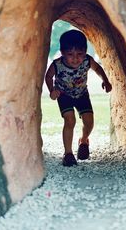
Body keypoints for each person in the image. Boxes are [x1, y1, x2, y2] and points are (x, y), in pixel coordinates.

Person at [45, 30, 112, 166]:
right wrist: (52, 90)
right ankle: (68, 153)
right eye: (70, 54)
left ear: (85, 52)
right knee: (70, 120)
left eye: (79, 54)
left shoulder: (87, 61)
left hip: (82, 94)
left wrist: (105, 80)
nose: (75, 58)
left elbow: (98, 68)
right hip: (64, 95)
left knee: (89, 122)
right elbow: (48, 76)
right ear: (63, 53)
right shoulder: (57, 64)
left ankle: (83, 140)